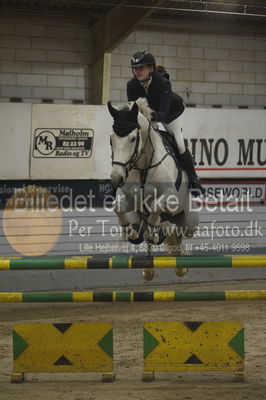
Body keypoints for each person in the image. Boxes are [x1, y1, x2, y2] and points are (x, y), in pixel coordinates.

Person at [127, 50, 205, 197]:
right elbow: (133, 110)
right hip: (148, 116)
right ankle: (120, 181)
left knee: (179, 144)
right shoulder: (131, 85)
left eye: (141, 68)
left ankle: (194, 179)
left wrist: (147, 116)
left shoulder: (164, 83)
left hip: (170, 114)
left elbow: (162, 113)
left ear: (151, 68)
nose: (137, 71)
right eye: (135, 68)